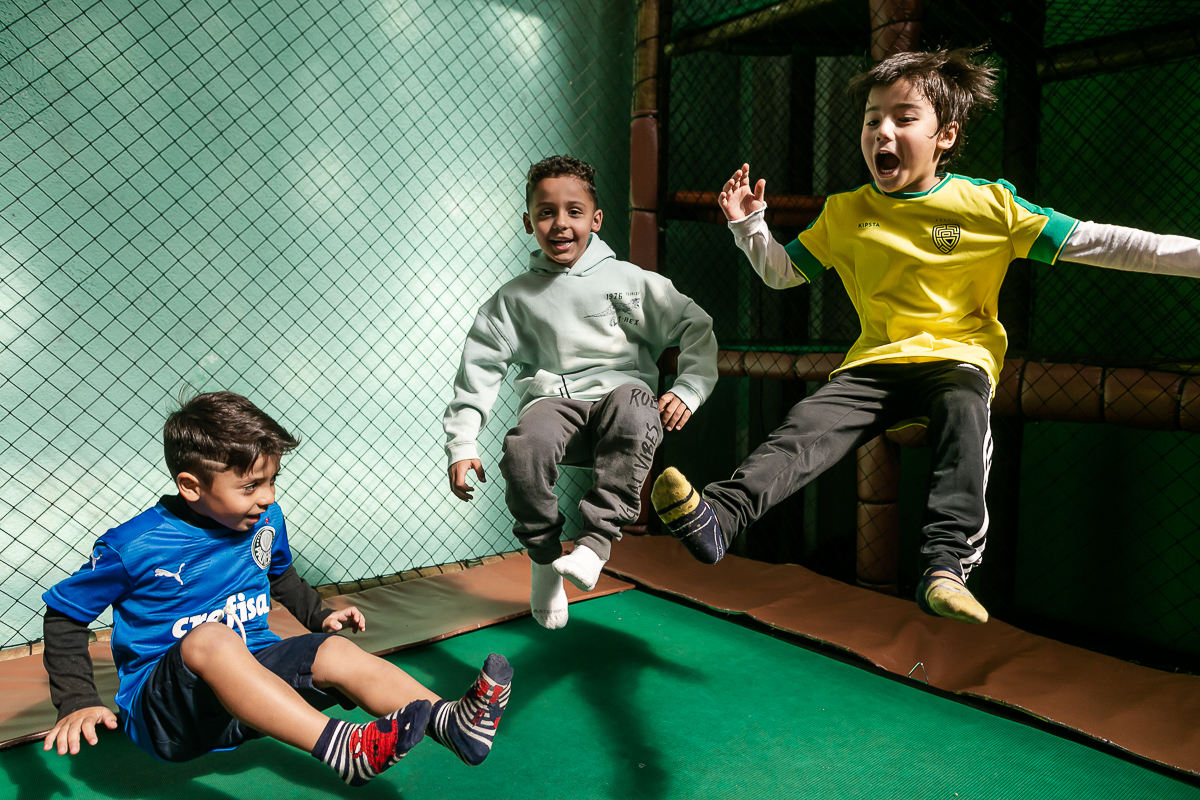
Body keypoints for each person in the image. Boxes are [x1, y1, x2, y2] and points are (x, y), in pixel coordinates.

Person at [651, 46, 1200, 625]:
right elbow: (783, 273)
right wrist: (748, 225)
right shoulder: (846, 212)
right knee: (806, 426)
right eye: (871, 120)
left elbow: (1102, 241)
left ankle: (945, 567)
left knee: (965, 409)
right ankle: (720, 517)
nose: (883, 131)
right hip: (874, 366)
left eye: (904, 118)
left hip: (957, 358)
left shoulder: (988, 205)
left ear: (945, 136)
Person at [41, 391, 511, 786]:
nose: (267, 497)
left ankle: (452, 723)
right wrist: (77, 700)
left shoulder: (264, 520)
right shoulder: (135, 545)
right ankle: (340, 746)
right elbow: (65, 616)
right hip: (169, 714)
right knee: (210, 639)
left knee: (334, 651)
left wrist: (317, 614)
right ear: (191, 486)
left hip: (252, 691)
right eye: (250, 486)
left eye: (271, 481)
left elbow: (278, 572)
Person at [445, 155, 718, 629]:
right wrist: (462, 443)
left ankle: (595, 545)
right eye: (546, 212)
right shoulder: (511, 301)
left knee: (634, 403)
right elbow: (480, 369)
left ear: (595, 219)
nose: (560, 224)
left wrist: (690, 387)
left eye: (574, 211)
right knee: (523, 447)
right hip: (554, 408)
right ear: (528, 221)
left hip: (622, 404)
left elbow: (696, 324)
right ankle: (544, 559)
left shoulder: (631, 283)